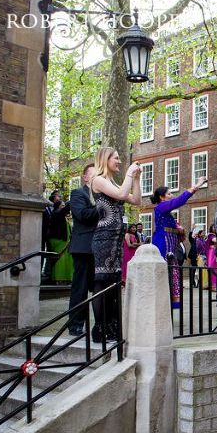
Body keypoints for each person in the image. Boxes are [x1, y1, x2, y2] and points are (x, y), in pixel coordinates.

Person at [89, 147, 141, 343]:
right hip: (103, 238)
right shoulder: (98, 180)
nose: (119, 161)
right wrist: (128, 174)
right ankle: (99, 329)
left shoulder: (114, 183)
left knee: (113, 284)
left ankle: (112, 329)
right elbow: (120, 195)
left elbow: (135, 200)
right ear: (105, 159)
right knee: (102, 283)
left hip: (116, 240)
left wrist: (135, 179)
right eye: (116, 158)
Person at [151, 177, 207, 307]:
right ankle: (163, 303)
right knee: (165, 271)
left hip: (169, 242)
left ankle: (168, 303)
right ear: (162, 197)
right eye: (169, 193)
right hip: (163, 242)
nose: (172, 195)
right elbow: (180, 200)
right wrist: (197, 185)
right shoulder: (161, 207)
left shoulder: (166, 212)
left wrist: (178, 229)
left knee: (170, 271)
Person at [68, 164, 100, 337]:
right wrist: (102, 206)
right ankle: (76, 325)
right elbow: (83, 215)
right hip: (83, 247)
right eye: (94, 175)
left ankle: (101, 325)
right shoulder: (78, 194)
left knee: (99, 288)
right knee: (80, 288)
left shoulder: (102, 195)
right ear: (85, 177)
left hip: (101, 249)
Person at [46, 190, 73, 283]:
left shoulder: (61, 215)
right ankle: (59, 278)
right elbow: (66, 209)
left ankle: (65, 278)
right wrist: (74, 198)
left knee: (65, 259)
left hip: (63, 240)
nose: (64, 208)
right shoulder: (57, 213)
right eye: (62, 206)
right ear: (58, 207)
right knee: (60, 259)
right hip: (58, 240)